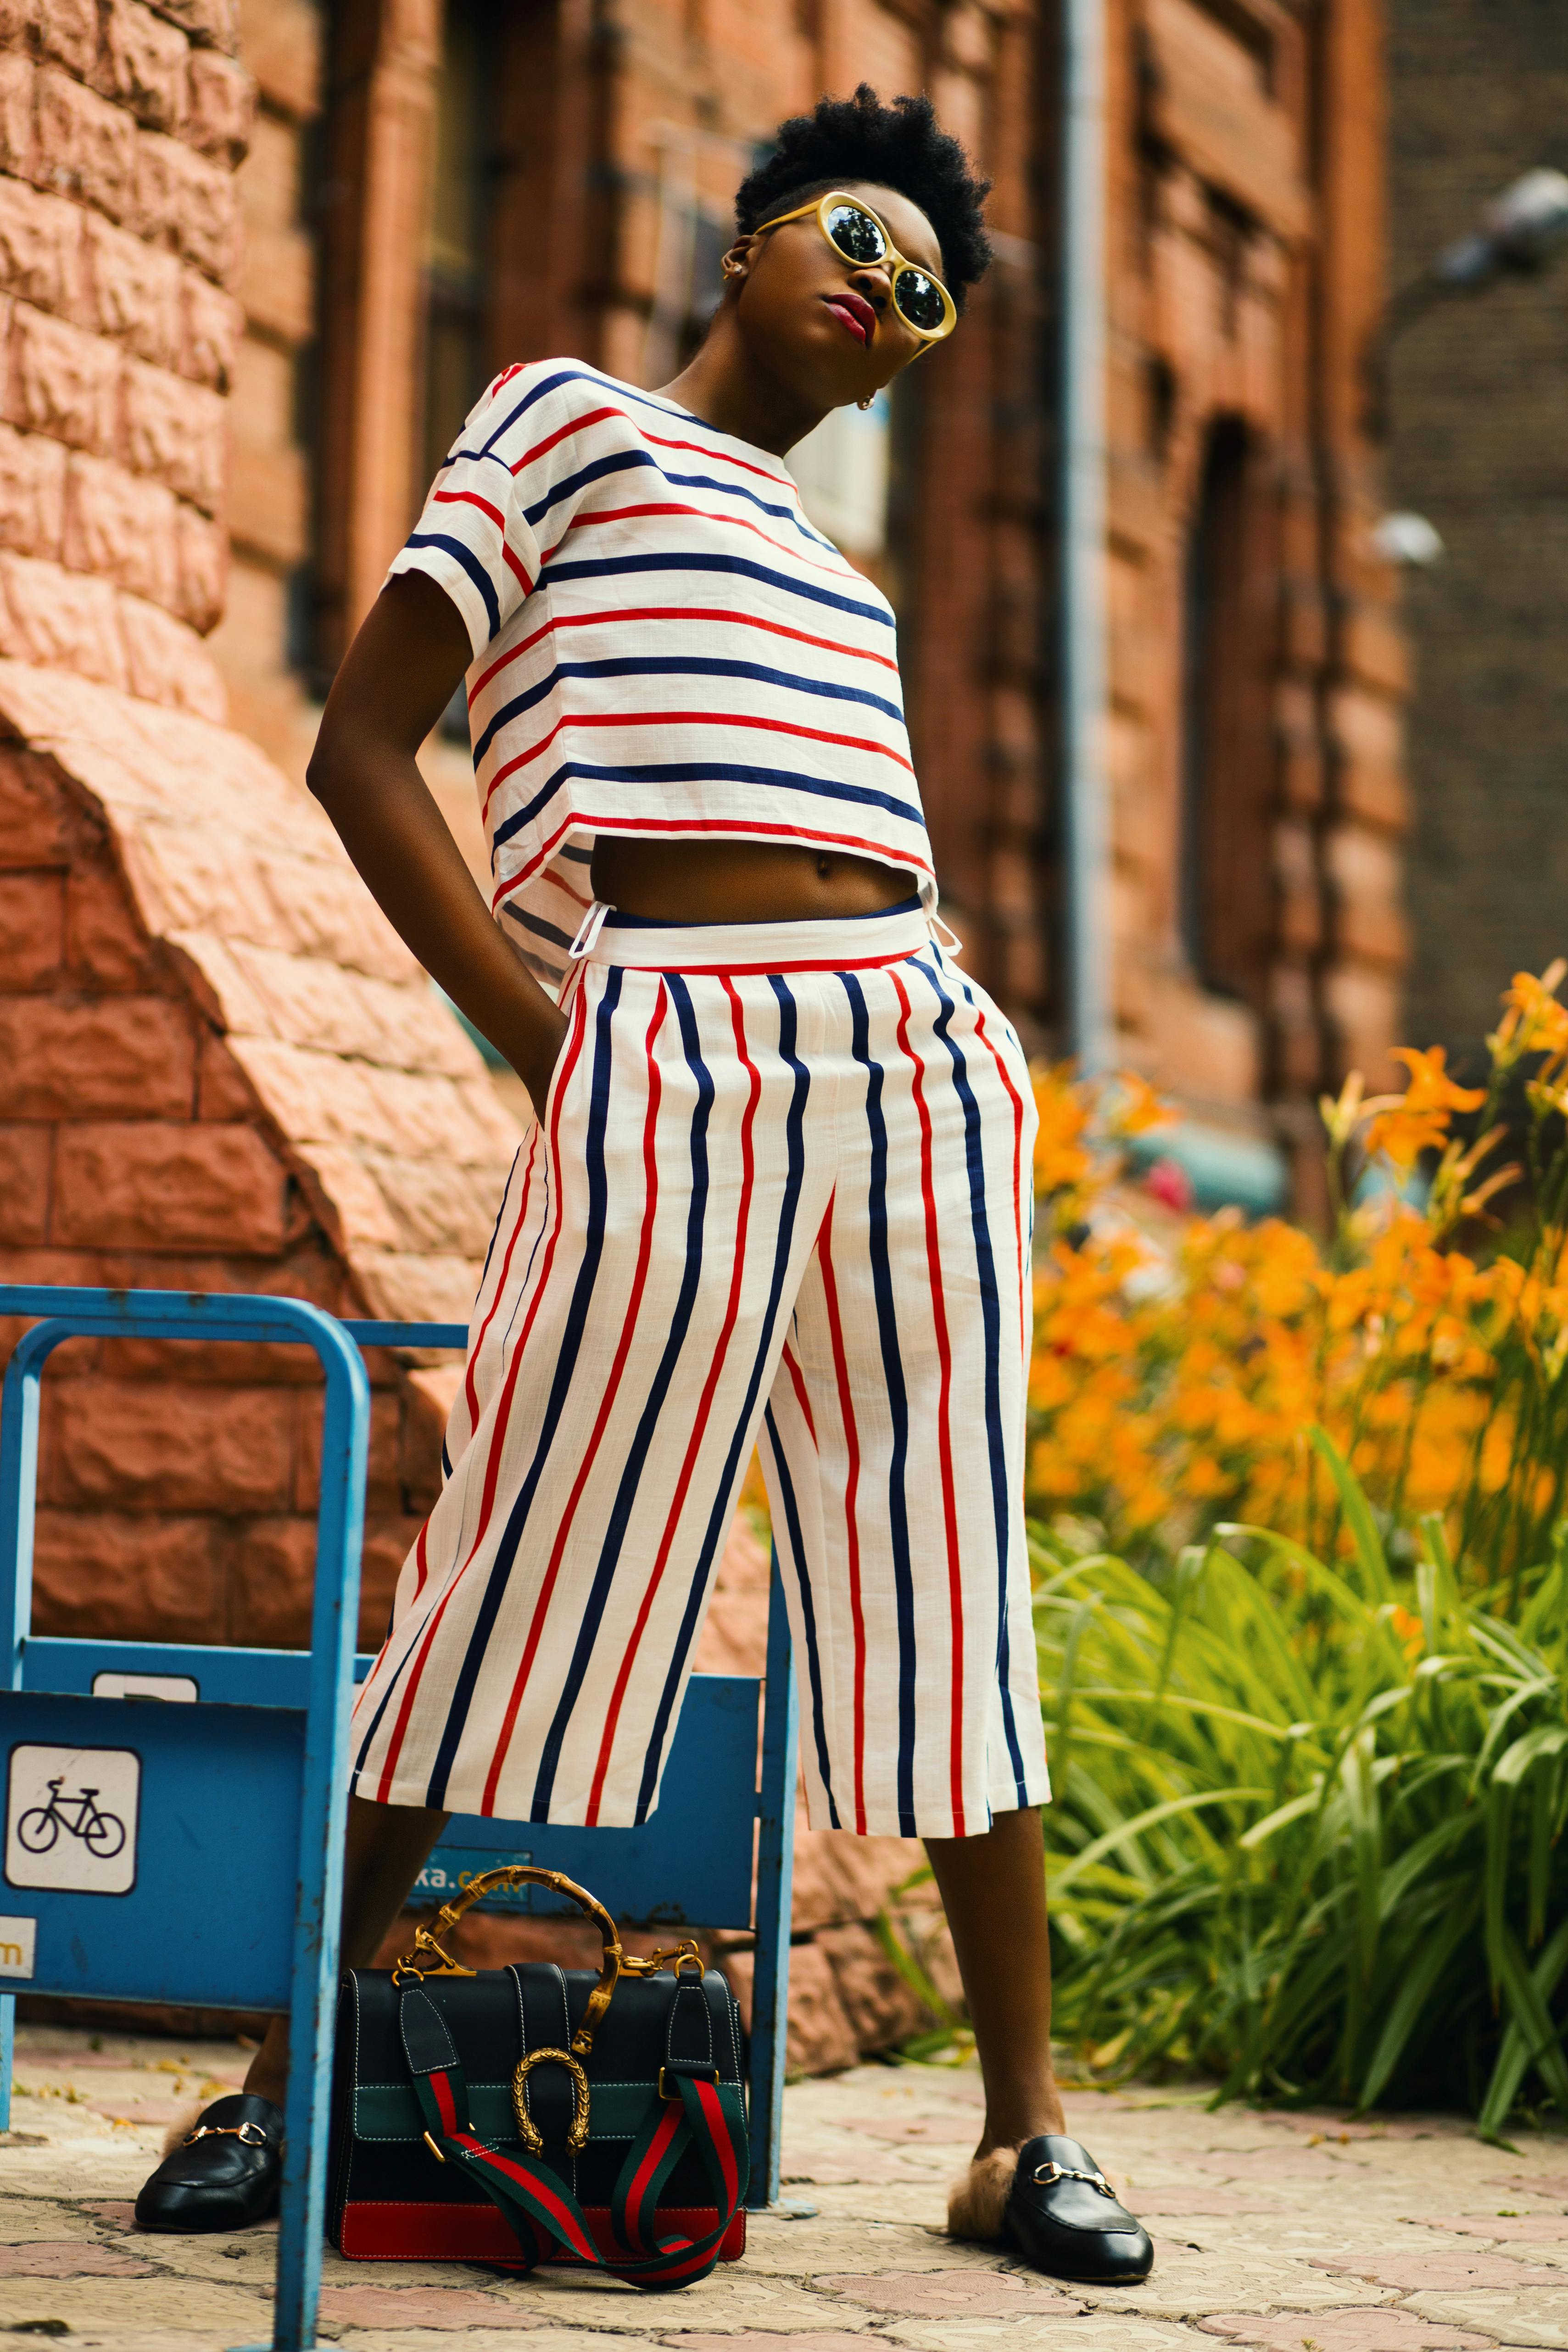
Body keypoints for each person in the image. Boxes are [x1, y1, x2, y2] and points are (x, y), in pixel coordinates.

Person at [134, 84, 1151, 2285]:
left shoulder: (846, 584)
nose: (892, 291)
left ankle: (1023, 2134)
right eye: (861, 240)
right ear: (752, 239)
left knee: (946, 1558)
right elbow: (357, 739)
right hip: (660, 1033)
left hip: (911, 1047)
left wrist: (948, 1052)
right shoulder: (569, 422)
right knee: (525, 1530)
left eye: (932, 295)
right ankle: (285, 2070)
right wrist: (549, 1031)